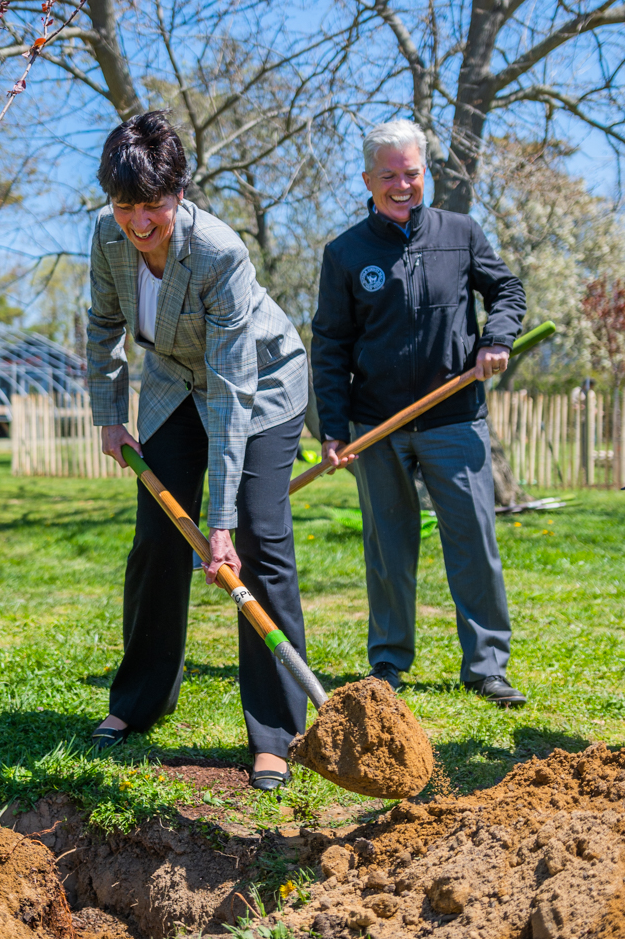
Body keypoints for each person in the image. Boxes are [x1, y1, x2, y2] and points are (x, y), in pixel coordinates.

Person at [87, 110, 308, 790]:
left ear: (178, 195)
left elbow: (234, 389)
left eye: (152, 206)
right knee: (156, 540)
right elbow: (102, 329)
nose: (140, 222)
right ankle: (139, 701)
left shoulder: (218, 251)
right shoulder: (106, 234)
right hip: (172, 383)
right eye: (127, 206)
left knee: (259, 542)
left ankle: (276, 732)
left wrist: (220, 526)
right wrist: (109, 417)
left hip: (259, 387)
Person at [312, 119, 527, 706]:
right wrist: (333, 428)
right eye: (390, 175)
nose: (402, 185)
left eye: (412, 173)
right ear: (367, 179)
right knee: (388, 547)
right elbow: (329, 345)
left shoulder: (460, 233)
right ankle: (387, 663)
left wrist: (496, 339)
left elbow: (507, 290)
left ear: (424, 173)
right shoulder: (346, 252)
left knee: (473, 540)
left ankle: (487, 666)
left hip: (454, 417)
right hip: (375, 425)